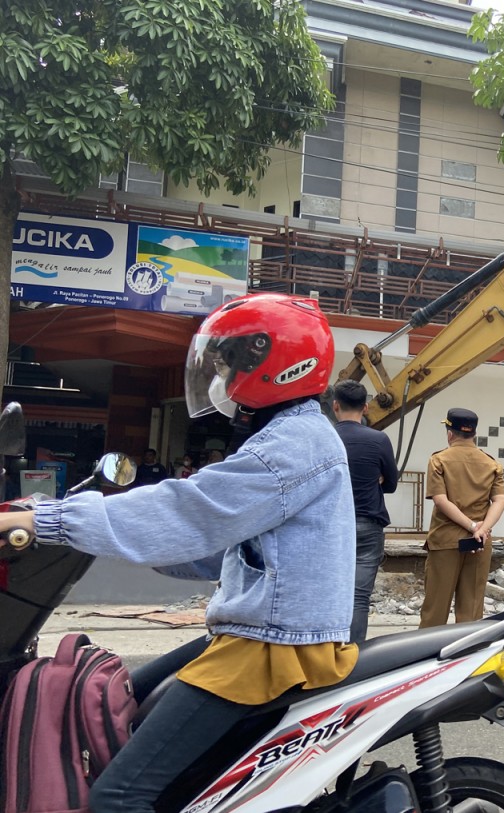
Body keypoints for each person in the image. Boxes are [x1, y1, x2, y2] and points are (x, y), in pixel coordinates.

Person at [0, 293, 356, 813]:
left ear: (271, 361)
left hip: (272, 649)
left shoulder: (293, 443)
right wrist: (125, 540)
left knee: (118, 797)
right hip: (254, 637)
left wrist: (46, 520)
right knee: (124, 708)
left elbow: (190, 510)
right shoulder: (291, 432)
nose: (222, 375)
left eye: (230, 361)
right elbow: (211, 544)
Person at [419, 407, 504, 628]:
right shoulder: (491, 464)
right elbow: (500, 501)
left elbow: (440, 500)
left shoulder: (439, 460)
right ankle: (467, 658)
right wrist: (482, 529)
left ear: (450, 432)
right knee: (471, 610)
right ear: (473, 434)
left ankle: (429, 658)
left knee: (435, 610)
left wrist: (470, 525)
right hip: (479, 543)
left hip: (445, 542)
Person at [333, 379, 400, 644]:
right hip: (367, 525)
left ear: (335, 405)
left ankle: (321, 651)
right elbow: (391, 484)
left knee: (328, 591)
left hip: (330, 526)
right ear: (365, 408)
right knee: (358, 597)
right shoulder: (378, 439)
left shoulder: (325, 437)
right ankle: (352, 656)